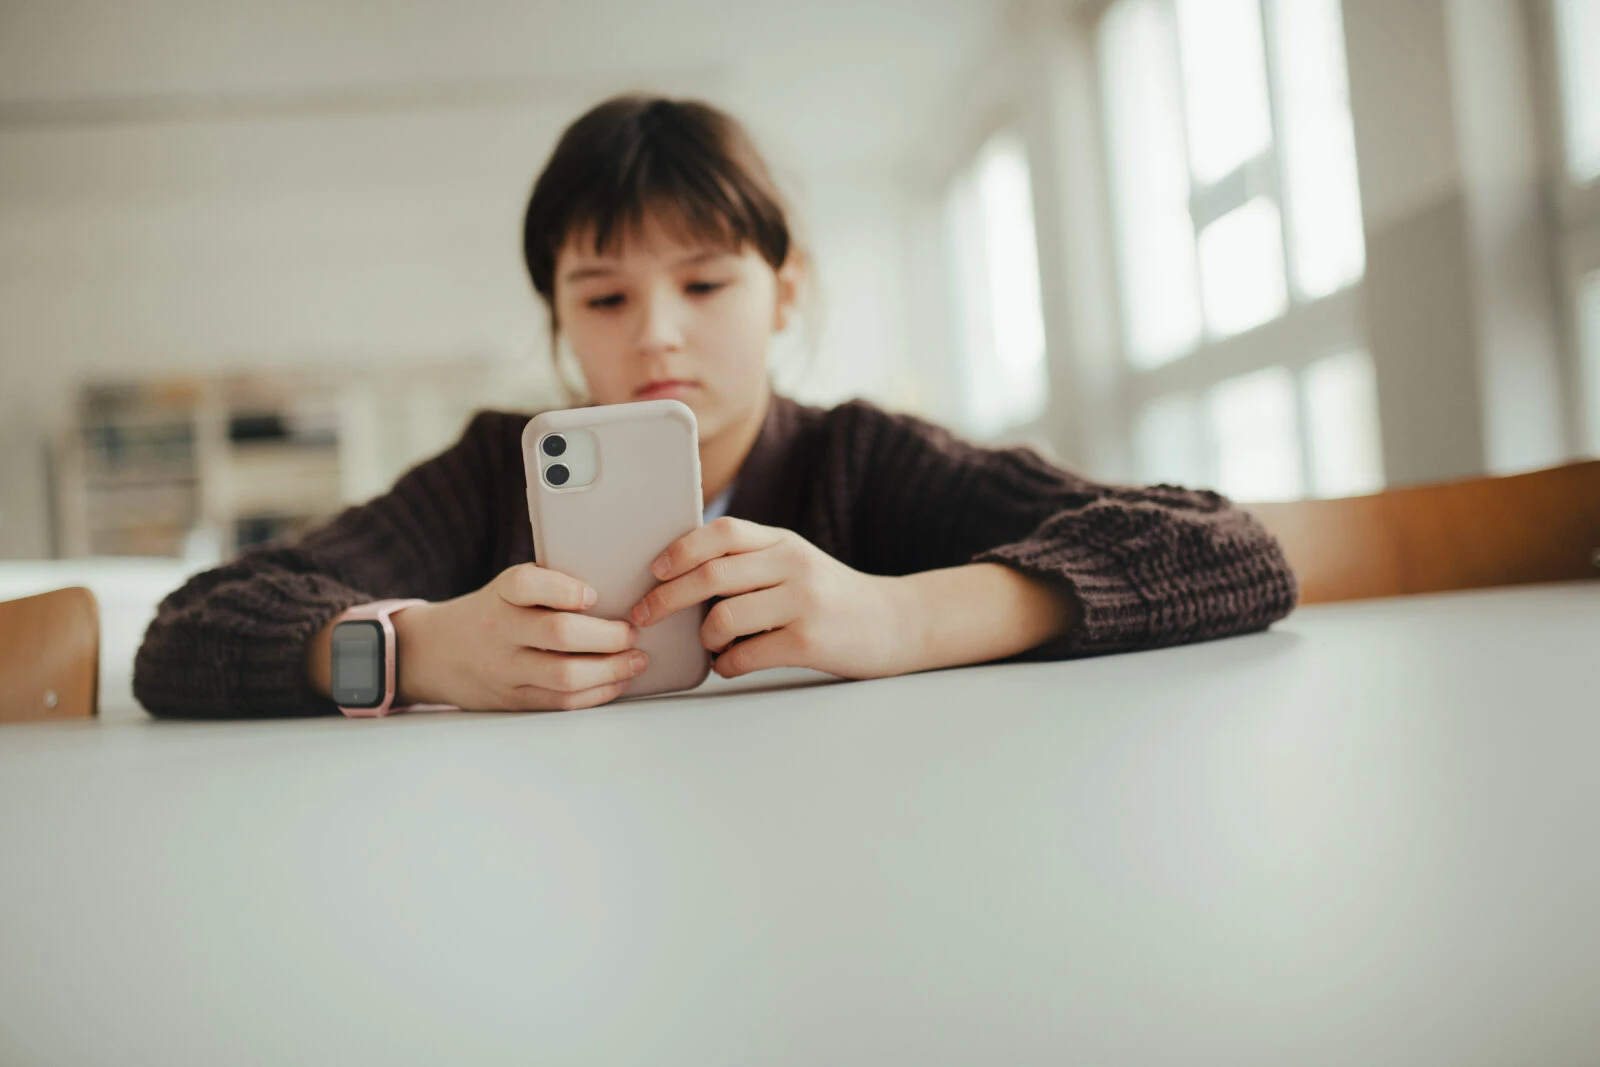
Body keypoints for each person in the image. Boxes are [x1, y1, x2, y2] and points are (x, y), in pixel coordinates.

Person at [133, 94, 1297, 719]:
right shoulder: (494, 469)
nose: (656, 332)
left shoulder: (863, 457)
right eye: (602, 293)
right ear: (557, 318)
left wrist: (895, 620)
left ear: (782, 290)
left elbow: (1223, 548)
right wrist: (416, 649)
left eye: (703, 281)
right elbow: (189, 631)